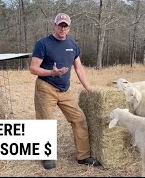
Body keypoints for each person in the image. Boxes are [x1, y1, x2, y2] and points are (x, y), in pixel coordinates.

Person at [29, 13, 101, 170]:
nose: (63, 28)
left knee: (79, 119)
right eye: (60, 25)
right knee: (45, 122)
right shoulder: (43, 44)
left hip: (64, 90)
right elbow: (33, 68)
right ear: (54, 25)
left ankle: (83, 156)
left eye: (65, 26)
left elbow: (79, 67)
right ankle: (46, 155)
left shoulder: (73, 45)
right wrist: (51, 73)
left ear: (69, 28)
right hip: (46, 88)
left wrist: (87, 87)